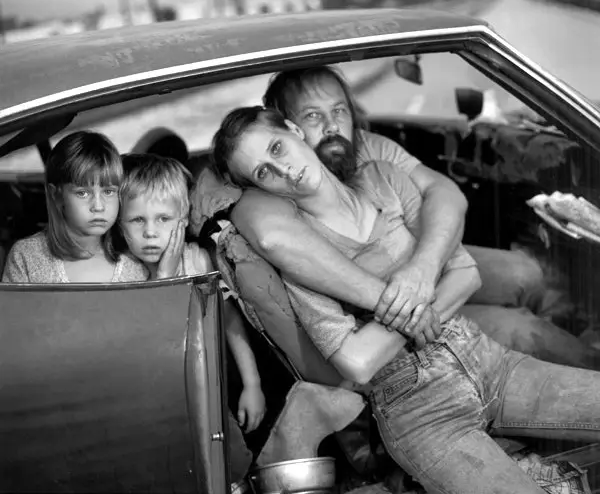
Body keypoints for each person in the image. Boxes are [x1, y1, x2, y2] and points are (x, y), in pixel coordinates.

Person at [211, 106, 600, 494]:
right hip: (417, 408)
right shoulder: (300, 255)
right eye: (264, 172)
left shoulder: (384, 178)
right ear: (260, 189)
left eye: (277, 148)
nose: (283, 170)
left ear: (295, 130)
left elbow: (467, 275)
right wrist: (416, 314)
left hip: (487, 358)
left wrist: (415, 284)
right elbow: (356, 362)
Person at [232, 66, 565, 331]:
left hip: (427, 265)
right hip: (384, 314)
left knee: (526, 274)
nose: (333, 125)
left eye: (339, 110)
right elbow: (263, 228)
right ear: (292, 127)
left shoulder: (370, 148)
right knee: (521, 329)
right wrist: (411, 302)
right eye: (313, 116)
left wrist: (424, 267)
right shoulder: (276, 180)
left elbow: (445, 192)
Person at [118, 153, 266, 435]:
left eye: (163, 218)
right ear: (120, 224)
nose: (150, 232)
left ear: (183, 220)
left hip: (208, 386)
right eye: (137, 220)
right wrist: (163, 278)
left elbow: (229, 321)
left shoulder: (198, 262)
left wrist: (252, 384)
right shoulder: (122, 272)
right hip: (151, 398)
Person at [2, 131, 147, 283]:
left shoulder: (135, 263)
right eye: (82, 193)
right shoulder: (27, 257)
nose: (98, 206)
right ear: (56, 195)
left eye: (109, 192)